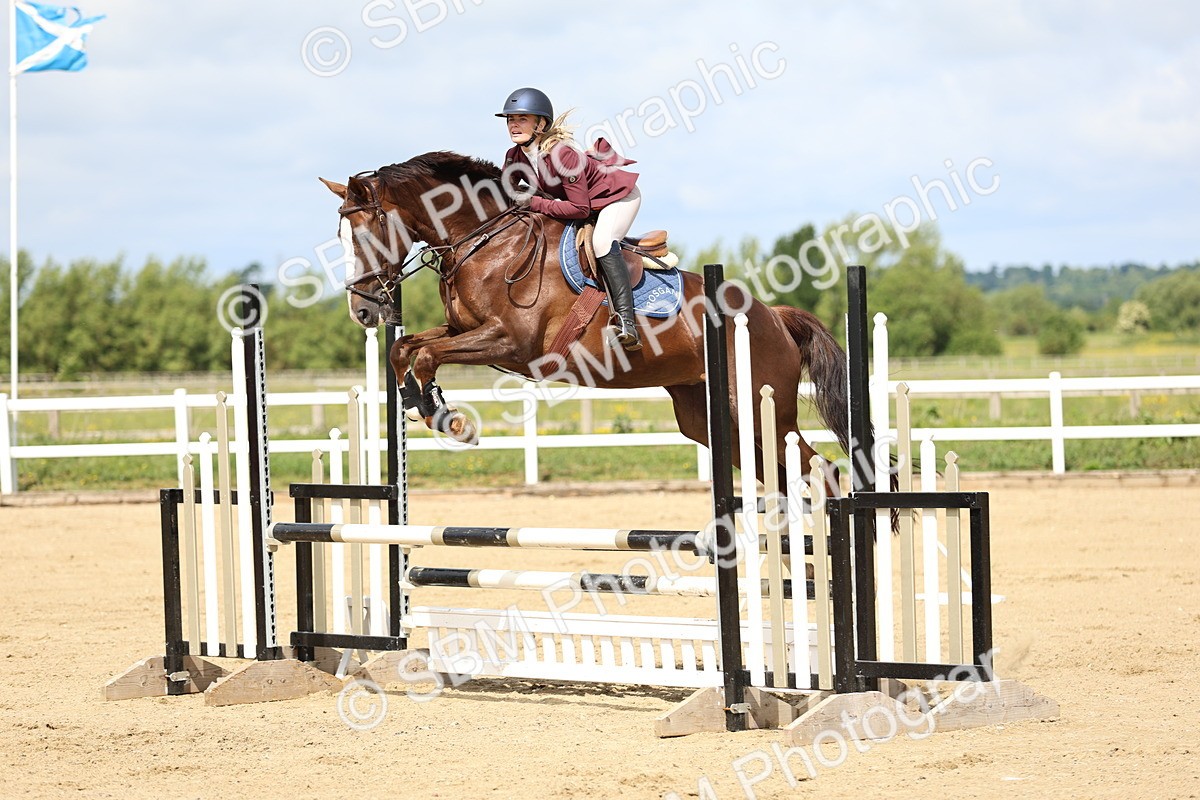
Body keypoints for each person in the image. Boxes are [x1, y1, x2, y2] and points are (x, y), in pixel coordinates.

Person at [496, 87, 642, 351]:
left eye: (521, 119)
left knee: (601, 243)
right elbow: (503, 196)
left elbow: (580, 209)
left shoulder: (562, 154)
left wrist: (533, 202)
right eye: (510, 119)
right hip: (585, 202)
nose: (513, 125)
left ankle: (626, 323)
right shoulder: (514, 156)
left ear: (540, 124)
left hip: (616, 197)